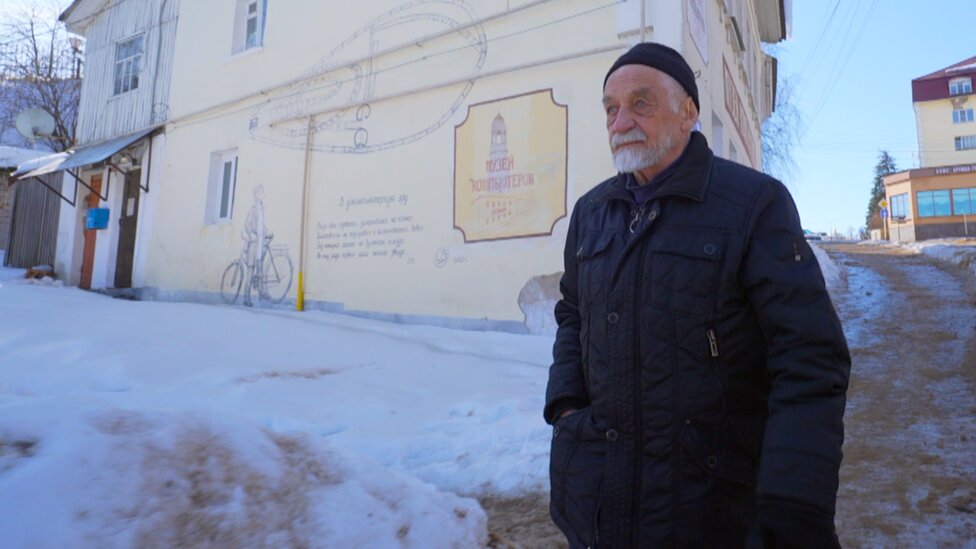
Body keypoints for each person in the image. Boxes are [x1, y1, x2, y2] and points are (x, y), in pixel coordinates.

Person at [545, 42, 851, 548]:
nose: (620, 121)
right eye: (611, 108)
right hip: (599, 501)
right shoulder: (590, 213)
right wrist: (566, 407)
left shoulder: (754, 205)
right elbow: (571, 312)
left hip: (713, 509)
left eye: (640, 102)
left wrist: (794, 504)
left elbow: (809, 359)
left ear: (688, 112)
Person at [242, 184, 269, 306]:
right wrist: (251, 234)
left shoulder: (261, 208)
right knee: (250, 271)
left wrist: (268, 232)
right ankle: (246, 298)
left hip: (260, 245)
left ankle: (261, 296)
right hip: (253, 245)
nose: (261, 195)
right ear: (255, 194)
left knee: (260, 270)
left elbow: (261, 225)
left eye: (262, 192)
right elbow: (247, 224)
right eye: (260, 192)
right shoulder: (253, 208)